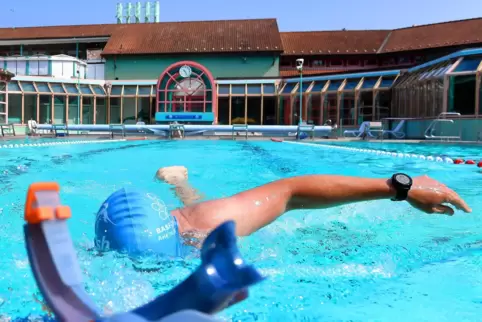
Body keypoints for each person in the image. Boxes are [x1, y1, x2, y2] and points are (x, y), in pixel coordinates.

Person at [94, 166, 471, 259]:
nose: (193, 244)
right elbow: (289, 192)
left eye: (184, 240)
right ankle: (177, 181)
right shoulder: (190, 229)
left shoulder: (199, 225)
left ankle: (178, 180)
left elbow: (292, 191)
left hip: (200, 214)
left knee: (203, 209)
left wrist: (399, 188)